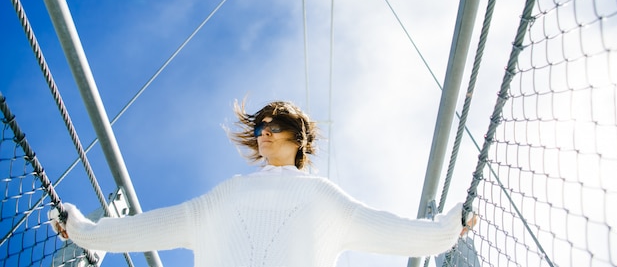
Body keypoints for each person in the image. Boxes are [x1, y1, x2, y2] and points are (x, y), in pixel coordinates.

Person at [49, 100, 476, 267]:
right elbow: (155, 226)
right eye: (259, 128)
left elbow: (393, 230)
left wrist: (448, 226)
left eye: (276, 125)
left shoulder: (324, 197)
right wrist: (86, 231)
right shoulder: (228, 194)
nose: (264, 132)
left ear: (300, 137)